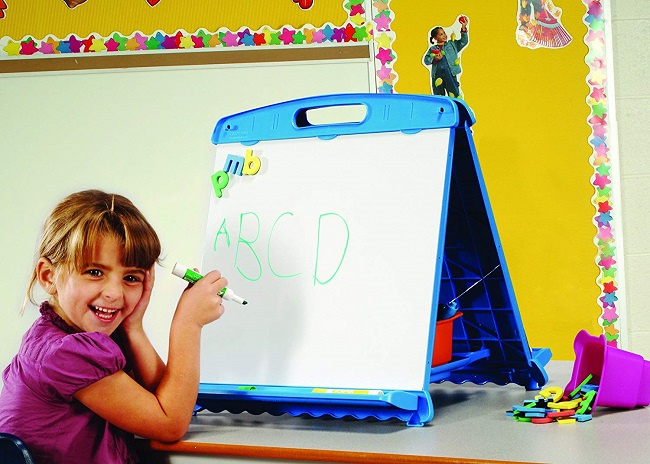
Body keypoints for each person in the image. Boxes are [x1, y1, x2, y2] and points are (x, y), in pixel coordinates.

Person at [0, 189, 227, 463]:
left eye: (131, 277)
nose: (115, 293)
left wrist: (134, 327)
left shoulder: (62, 336)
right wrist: (187, 324)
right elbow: (170, 422)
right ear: (49, 277)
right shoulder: (67, 353)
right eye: (95, 272)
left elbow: (162, 396)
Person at [423, 16, 469, 98]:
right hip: (437, 75)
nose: (444, 35)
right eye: (441, 34)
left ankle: (457, 108)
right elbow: (426, 60)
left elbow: (463, 42)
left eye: (444, 33)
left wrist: (464, 27)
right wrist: (435, 59)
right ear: (435, 38)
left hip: (450, 73)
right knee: (438, 96)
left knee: (454, 93)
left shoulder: (452, 44)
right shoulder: (433, 49)